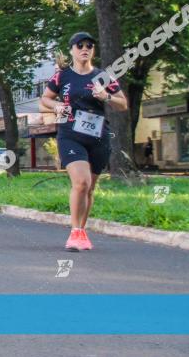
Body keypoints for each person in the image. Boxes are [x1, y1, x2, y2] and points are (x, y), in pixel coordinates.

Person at [40, 32, 128, 252]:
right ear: (72, 50)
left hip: (98, 136)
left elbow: (123, 104)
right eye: (80, 45)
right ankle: (74, 231)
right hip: (70, 134)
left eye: (89, 45)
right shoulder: (62, 76)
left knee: (89, 189)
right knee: (81, 182)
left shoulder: (103, 77)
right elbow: (45, 99)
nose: (85, 48)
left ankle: (82, 230)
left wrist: (105, 97)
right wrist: (56, 107)